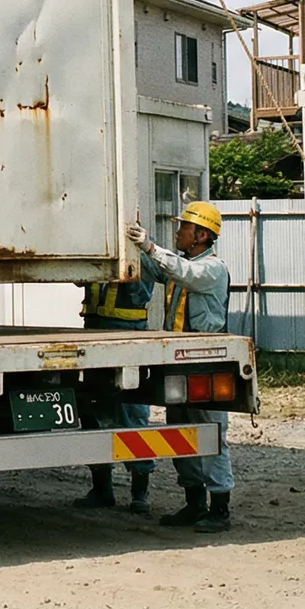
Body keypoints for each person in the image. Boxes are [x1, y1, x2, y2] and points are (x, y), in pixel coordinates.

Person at [126, 201, 235, 533]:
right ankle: (193, 502)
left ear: (201, 235)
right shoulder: (181, 264)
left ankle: (220, 508)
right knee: (181, 430)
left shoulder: (212, 269)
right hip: (178, 357)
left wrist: (149, 245)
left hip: (206, 359)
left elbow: (183, 273)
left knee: (211, 433)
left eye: (184, 227)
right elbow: (154, 267)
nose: (178, 232)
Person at [70, 277, 156, 513]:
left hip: (127, 335)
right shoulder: (95, 246)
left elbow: (146, 283)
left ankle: (140, 493)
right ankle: (102, 489)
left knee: (132, 415)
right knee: (94, 415)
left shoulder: (139, 251)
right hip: (95, 332)